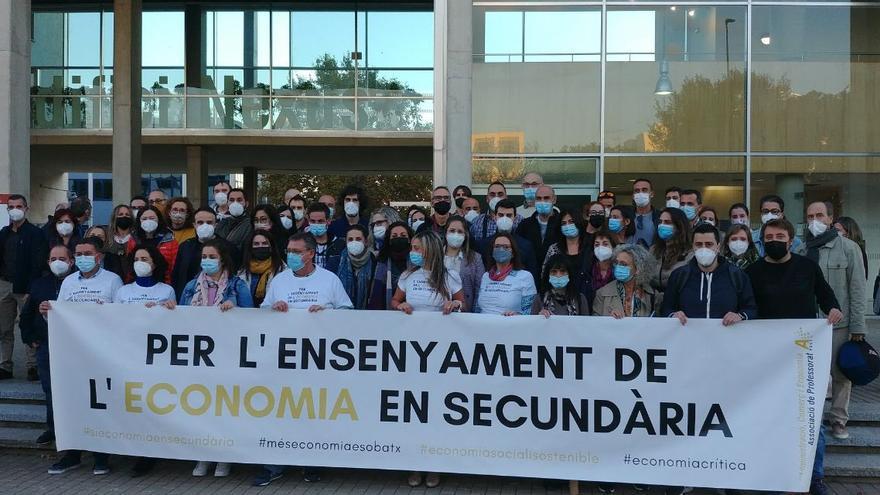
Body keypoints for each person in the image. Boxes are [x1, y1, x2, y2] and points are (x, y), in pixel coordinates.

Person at [745, 218, 843, 495]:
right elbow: (746, 307)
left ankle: (815, 476)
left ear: (791, 240)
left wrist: (834, 311)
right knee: (769, 417)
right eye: (769, 236)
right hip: (766, 360)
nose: (774, 240)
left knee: (811, 419)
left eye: (780, 236)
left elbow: (827, 299)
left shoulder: (808, 268)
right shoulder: (753, 272)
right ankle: (770, 471)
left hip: (804, 357)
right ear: (762, 239)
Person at [255, 232, 353, 487]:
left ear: (310, 253)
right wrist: (273, 309)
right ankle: (274, 464)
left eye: (297, 251)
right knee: (281, 411)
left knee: (312, 410)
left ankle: (312, 461)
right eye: (289, 250)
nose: (292, 255)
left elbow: (348, 313)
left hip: (317, 360)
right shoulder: (278, 280)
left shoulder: (329, 280)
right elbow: (262, 312)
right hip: (284, 360)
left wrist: (327, 312)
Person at [390, 230, 463, 489]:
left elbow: (462, 303)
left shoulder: (449, 276)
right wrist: (400, 306)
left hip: (442, 353)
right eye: (412, 247)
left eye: (417, 247)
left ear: (430, 249)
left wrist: (453, 306)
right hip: (412, 352)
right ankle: (414, 463)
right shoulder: (408, 275)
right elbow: (395, 300)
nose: (413, 251)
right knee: (414, 409)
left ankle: (435, 464)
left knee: (436, 408)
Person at [47, 237, 122, 475]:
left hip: (102, 353)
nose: (82, 258)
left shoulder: (112, 281)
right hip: (73, 354)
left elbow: (124, 316)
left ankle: (101, 456)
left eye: (87, 253)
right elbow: (60, 317)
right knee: (74, 404)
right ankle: (72, 455)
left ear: (98, 256)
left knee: (100, 404)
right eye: (78, 254)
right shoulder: (69, 282)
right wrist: (47, 312)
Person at [179, 240, 251, 478]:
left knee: (225, 408)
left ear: (222, 259)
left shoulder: (237, 285)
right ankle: (203, 455)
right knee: (202, 407)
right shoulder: (191, 286)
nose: (207, 260)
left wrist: (236, 307)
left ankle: (224, 457)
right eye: (204, 256)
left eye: (212, 256)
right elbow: (180, 317)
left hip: (228, 356)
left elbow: (253, 318)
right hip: (199, 356)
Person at [112, 244, 176, 478]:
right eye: (137, 258)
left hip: (154, 357)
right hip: (128, 354)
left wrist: (168, 310)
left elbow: (173, 324)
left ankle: (148, 454)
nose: (141, 262)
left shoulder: (166, 290)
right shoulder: (123, 292)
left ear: (154, 263)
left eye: (145, 259)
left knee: (149, 403)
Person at [805, 201, 866, 440]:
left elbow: (858, 289)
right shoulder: (802, 248)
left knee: (841, 374)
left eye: (820, 215)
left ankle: (838, 420)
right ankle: (814, 418)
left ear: (830, 219)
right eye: (810, 216)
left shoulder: (849, 248)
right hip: (809, 325)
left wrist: (858, 326)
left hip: (838, 324)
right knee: (812, 375)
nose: (815, 220)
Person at [20, 245, 73, 447]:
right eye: (53, 259)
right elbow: (26, 314)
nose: (57, 262)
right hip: (47, 345)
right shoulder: (39, 284)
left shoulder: (77, 283)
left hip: (74, 347)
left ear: (71, 261)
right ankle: (52, 428)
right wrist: (30, 338)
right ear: (48, 262)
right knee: (50, 389)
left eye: (62, 258)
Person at [660, 223, 757, 324]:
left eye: (709, 244)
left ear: (718, 247)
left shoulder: (737, 275)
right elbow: (666, 309)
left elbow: (751, 309)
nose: (704, 248)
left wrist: (739, 316)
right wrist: (673, 315)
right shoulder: (679, 276)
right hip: (688, 338)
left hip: (726, 338)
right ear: (692, 246)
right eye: (698, 244)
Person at [0, 195, 48, 381]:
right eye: (11, 206)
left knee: (29, 326)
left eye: (19, 206)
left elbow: (38, 264)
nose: (15, 209)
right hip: (4, 285)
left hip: (26, 287)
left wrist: (31, 289)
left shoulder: (35, 234)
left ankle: (32, 366)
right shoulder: (4, 233)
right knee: (4, 328)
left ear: (27, 208)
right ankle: (5, 365)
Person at [172, 207, 238, 299]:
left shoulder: (228, 247)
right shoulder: (185, 246)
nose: (205, 226)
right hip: (188, 300)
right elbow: (176, 276)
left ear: (216, 224)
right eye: (200, 222)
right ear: (194, 225)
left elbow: (233, 275)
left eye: (209, 222)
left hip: (220, 302)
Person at [593, 244, 660, 319]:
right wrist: (609, 318)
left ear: (638, 269)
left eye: (623, 264)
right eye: (616, 263)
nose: (618, 267)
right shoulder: (602, 293)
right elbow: (595, 325)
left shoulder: (653, 296)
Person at [476, 233, 537, 315]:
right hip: (483, 325)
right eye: (497, 246)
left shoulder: (525, 276)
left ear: (513, 253)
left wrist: (517, 315)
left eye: (506, 247)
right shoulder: (486, 276)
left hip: (510, 325)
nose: (501, 249)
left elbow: (530, 311)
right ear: (492, 251)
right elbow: (478, 309)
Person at [542, 209, 591, 302]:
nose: (567, 225)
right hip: (559, 299)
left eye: (571, 222)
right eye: (563, 223)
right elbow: (545, 274)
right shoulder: (554, 249)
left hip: (586, 296)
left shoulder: (590, 247)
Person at [488, 200, 537, 282]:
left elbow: (532, 274)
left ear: (515, 217)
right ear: (495, 217)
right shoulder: (484, 244)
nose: (504, 218)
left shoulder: (525, 245)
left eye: (509, 215)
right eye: (501, 215)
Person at [368, 221, 413, 310]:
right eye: (394, 236)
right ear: (389, 240)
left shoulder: (416, 263)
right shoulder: (380, 262)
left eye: (403, 236)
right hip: (386, 315)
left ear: (409, 239)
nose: (399, 238)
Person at [443, 216, 485, 312]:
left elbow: (479, 289)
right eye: (452, 231)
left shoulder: (475, 258)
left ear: (465, 235)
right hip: (438, 312)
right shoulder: (434, 256)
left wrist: (474, 315)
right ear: (446, 233)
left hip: (465, 313)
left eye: (460, 231)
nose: (455, 234)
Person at [516, 185, 560, 272]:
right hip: (530, 275)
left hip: (556, 275)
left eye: (546, 198)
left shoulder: (561, 224)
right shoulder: (524, 225)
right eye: (539, 198)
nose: (542, 201)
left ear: (554, 199)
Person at [237, 230, 286, 307]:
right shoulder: (242, 271)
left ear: (271, 246)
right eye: (256, 244)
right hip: (247, 315)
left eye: (265, 243)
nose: (260, 246)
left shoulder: (283, 270)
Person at [651, 207, 693, 292]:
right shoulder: (653, 250)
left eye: (667, 222)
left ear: (679, 226)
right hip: (654, 300)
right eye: (660, 222)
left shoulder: (690, 253)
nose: (662, 225)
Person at [134, 206, 179, 284]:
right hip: (138, 284)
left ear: (159, 219)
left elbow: (174, 266)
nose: (148, 221)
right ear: (139, 221)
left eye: (152, 218)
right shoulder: (134, 240)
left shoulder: (169, 240)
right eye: (144, 219)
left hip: (164, 283)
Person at [337, 224, 377, 309]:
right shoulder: (336, 262)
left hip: (368, 313)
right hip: (341, 312)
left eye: (358, 239)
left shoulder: (375, 262)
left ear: (366, 242)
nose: (354, 242)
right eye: (350, 239)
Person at [306, 203, 346, 273]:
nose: (316, 224)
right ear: (308, 221)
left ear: (328, 221)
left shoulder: (339, 245)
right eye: (313, 221)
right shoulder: (302, 243)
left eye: (320, 221)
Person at [632, 178, 661, 247]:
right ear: (633, 196)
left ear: (652, 194)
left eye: (644, 190)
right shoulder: (626, 216)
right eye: (637, 191)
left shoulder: (660, 217)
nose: (640, 193)